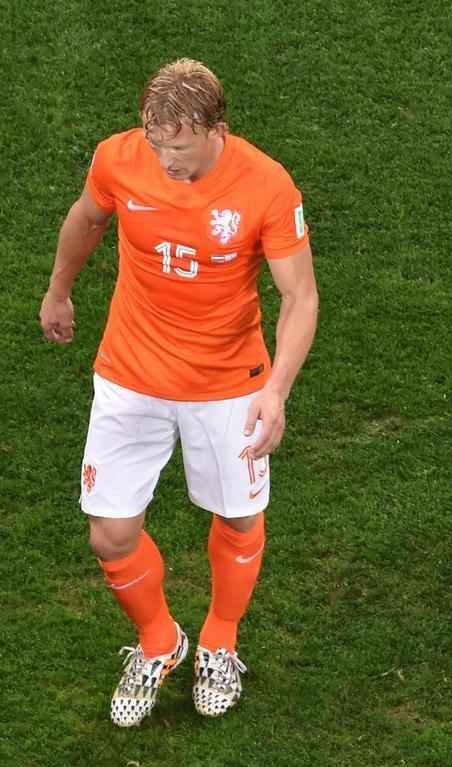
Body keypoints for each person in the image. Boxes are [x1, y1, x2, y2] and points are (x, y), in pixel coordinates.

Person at [38, 59, 319, 726]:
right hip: (130, 372)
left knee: (240, 518)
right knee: (109, 534)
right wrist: (59, 288)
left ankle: (220, 638)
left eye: (180, 146)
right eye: (157, 142)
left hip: (230, 382)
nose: (165, 159)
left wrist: (277, 388)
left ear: (218, 129)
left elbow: (299, 296)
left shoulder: (267, 185)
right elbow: (86, 218)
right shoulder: (119, 159)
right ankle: (161, 642)